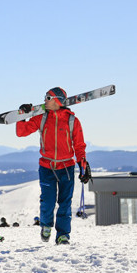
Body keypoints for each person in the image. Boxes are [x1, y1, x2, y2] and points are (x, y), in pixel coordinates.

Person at [15, 87, 90, 245]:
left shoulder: (72, 121)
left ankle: (63, 235)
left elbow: (79, 146)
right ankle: (46, 226)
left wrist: (83, 165)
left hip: (66, 167)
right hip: (47, 166)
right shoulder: (41, 118)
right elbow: (21, 133)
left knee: (65, 203)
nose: (44, 100)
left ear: (57, 101)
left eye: (48, 98)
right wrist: (23, 116)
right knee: (47, 201)